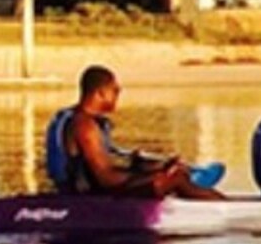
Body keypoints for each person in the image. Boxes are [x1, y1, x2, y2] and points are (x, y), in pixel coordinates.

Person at [42, 65, 225, 199]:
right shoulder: (84, 125)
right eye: (115, 90)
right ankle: (229, 212)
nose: (118, 94)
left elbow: (109, 166)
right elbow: (105, 178)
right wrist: (156, 177)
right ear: (100, 93)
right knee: (175, 179)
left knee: (175, 173)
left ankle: (221, 205)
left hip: (93, 189)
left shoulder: (84, 120)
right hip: (89, 197)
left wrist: (156, 167)